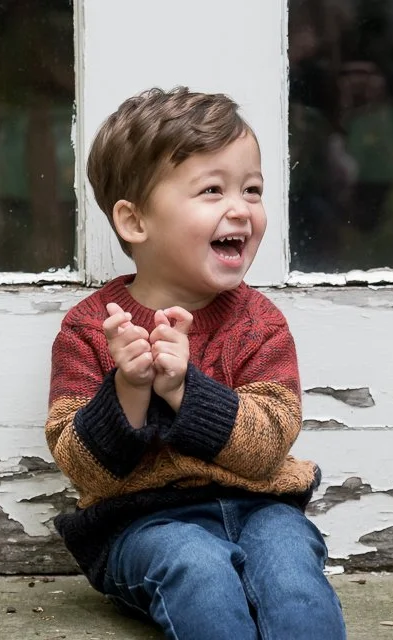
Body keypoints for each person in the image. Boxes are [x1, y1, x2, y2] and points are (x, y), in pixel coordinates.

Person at [45, 86, 346, 639]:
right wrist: (130, 390)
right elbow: (79, 466)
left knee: (291, 568)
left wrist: (186, 389)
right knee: (197, 568)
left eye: (252, 189)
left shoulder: (259, 323)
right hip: (142, 522)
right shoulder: (91, 328)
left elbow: (269, 443)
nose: (241, 208)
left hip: (260, 506)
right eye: (212, 190)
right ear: (135, 222)